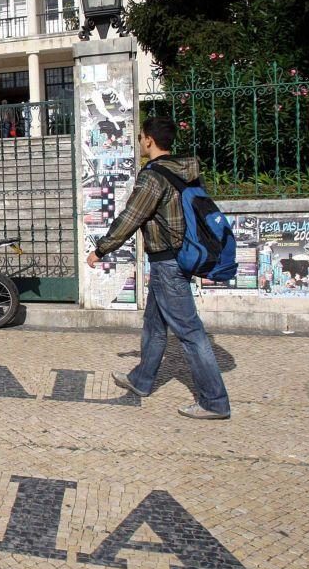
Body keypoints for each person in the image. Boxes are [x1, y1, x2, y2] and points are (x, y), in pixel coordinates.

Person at [86, 116, 231, 420]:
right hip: (178, 256)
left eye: (141, 137)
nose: (139, 142)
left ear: (149, 140)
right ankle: (142, 379)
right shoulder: (184, 171)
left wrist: (101, 249)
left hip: (167, 261)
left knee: (190, 332)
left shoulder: (153, 176)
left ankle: (214, 401)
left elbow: (131, 217)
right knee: (154, 323)